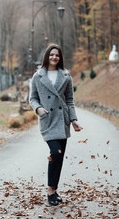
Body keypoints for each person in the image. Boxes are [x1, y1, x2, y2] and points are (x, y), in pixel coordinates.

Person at [29, 43, 83, 206]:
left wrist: (74, 120)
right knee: (56, 153)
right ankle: (51, 192)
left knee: (59, 158)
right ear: (47, 56)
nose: (54, 57)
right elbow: (33, 98)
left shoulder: (66, 76)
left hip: (62, 120)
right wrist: (38, 109)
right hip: (47, 120)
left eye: (57, 55)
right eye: (51, 54)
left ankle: (53, 189)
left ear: (60, 58)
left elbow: (69, 100)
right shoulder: (37, 76)